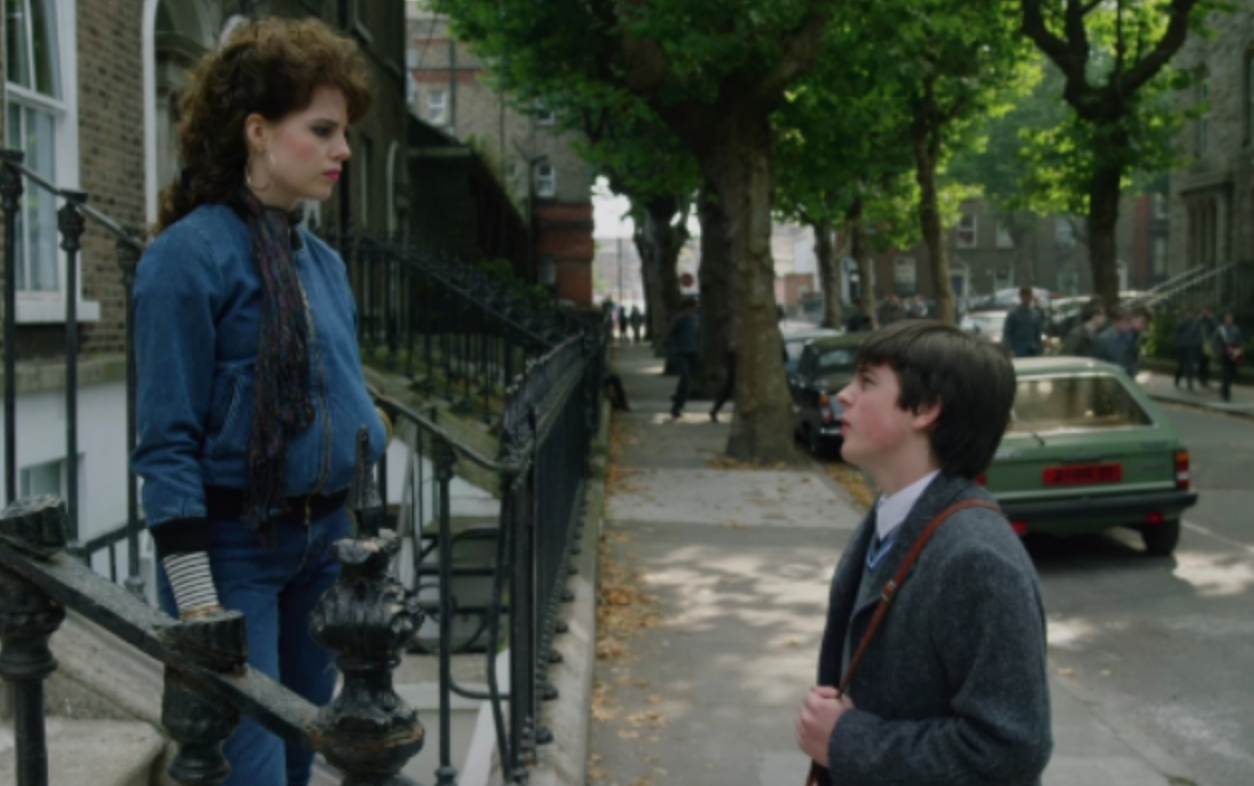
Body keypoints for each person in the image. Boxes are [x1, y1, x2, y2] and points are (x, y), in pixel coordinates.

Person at [130, 18, 387, 786]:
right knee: (254, 771)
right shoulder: (186, 259)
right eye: (323, 130)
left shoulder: (325, 265)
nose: (342, 151)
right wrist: (200, 604)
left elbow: (347, 402)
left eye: (344, 133)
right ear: (256, 132)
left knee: (304, 758)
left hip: (323, 549)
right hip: (235, 551)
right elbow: (165, 445)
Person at [795, 321, 1051, 786]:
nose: (844, 395)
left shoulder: (977, 558)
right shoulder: (890, 515)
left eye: (867, 382)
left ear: (927, 409)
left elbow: (1010, 750)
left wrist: (847, 741)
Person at [667, 298, 700, 419]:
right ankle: (677, 403)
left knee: (687, 379)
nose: (694, 309)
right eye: (692, 307)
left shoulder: (696, 319)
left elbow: (698, 335)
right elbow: (671, 334)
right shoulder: (679, 319)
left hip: (692, 352)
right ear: (687, 307)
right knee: (685, 377)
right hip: (680, 352)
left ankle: (679, 401)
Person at [1004, 285, 1044, 357]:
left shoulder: (1035, 314)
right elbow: (1007, 333)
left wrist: (1039, 348)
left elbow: (1038, 332)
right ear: (1021, 297)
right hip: (1018, 350)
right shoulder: (1013, 314)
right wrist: (1009, 349)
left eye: (1028, 296)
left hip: (1032, 349)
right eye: (1024, 296)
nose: (1026, 298)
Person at [1213, 312, 1245, 403]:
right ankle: (1226, 394)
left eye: (1230, 318)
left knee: (1232, 373)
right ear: (1224, 319)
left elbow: (1240, 341)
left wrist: (1240, 351)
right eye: (1227, 318)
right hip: (1225, 354)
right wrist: (1219, 351)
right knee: (1226, 374)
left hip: (1234, 353)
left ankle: (1224, 388)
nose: (1229, 320)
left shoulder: (1236, 329)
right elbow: (1215, 341)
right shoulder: (1220, 329)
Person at [1173, 308, 1203, 390]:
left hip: (1191, 347)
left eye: (1190, 313)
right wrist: (1178, 344)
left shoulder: (1195, 323)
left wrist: (1196, 344)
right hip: (1183, 346)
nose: (1189, 315)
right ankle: (1177, 378)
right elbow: (1177, 334)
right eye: (1187, 313)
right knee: (1181, 365)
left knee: (1190, 365)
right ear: (1185, 314)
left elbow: (1198, 335)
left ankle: (1190, 382)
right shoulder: (1181, 323)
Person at [709, 331, 735, 423]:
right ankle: (715, 409)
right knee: (728, 387)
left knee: (728, 387)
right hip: (735, 360)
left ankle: (715, 409)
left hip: (733, 359)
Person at [1196, 307, 1218, 387]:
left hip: (1208, 344)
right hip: (1200, 344)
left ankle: (1205, 378)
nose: (1204, 313)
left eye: (1206, 311)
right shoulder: (1198, 320)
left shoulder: (1211, 320)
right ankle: (1201, 378)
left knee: (1206, 362)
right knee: (1201, 362)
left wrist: (1211, 319)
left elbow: (1216, 329)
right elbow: (1194, 328)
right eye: (1203, 311)